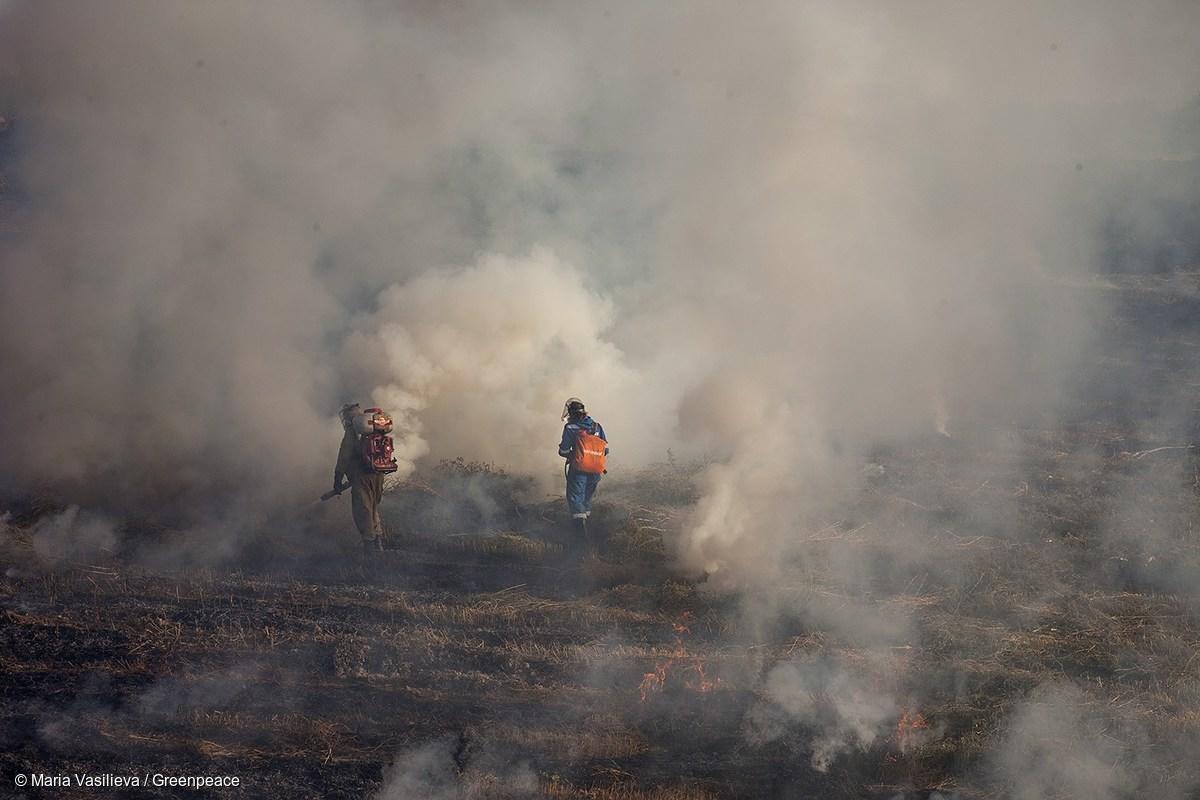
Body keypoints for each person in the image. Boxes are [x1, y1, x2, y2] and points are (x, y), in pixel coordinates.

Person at [334, 403, 386, 552]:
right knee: (373, 509)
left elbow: (343, 457)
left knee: (363, 512)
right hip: (378, 475)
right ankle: (379, 546)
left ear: (349, 416)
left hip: (361, 477)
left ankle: (370, 555)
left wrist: (337, 479)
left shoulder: (352, 432)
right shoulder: (374, 426)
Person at [558, 397, 608, 540]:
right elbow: (606, 450)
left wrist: (574, 455)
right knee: (586, 500)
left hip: (579, 471)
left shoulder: (571, 427)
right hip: (596, 471)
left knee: (575, 500)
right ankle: (592, 533)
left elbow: (564, 450)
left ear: (571, 413)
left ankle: (580, 541)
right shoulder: (597, 426)